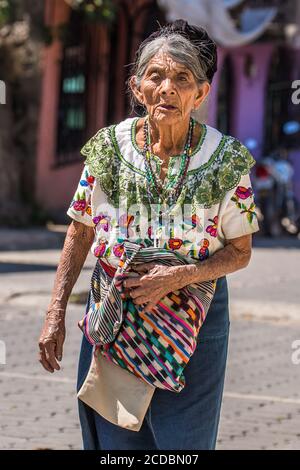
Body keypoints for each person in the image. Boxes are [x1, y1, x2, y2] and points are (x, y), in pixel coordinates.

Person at [38, 19, 260, 450]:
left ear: (201, 94)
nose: (167, 88)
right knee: (114, 442)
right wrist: (55, 313)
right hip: (113, 309)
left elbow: (240, 252)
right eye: (155, 76)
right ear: (137, 88)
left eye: (182, 78)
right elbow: (80, 232)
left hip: (193, 313)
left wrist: (177, 277)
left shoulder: (225, 159)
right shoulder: (110, 147)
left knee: (183, 445)